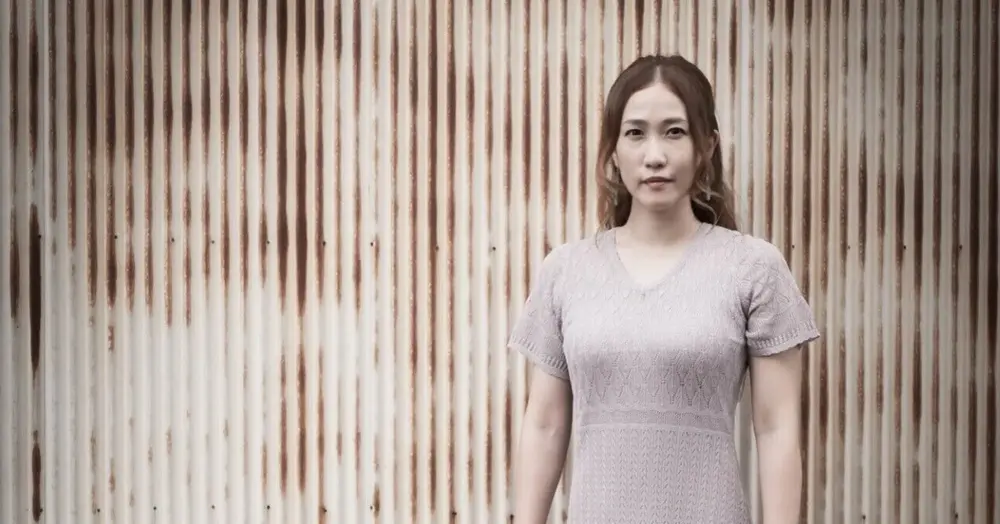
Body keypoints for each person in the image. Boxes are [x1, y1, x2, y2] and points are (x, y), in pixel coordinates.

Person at [508, 54, 820, 523]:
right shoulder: (566, 271)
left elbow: (777, 428)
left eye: (674, 132)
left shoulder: (753, 268)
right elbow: (545, 424)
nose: (654, 155)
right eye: (635, 133)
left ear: (706, 145)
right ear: (614, 150)